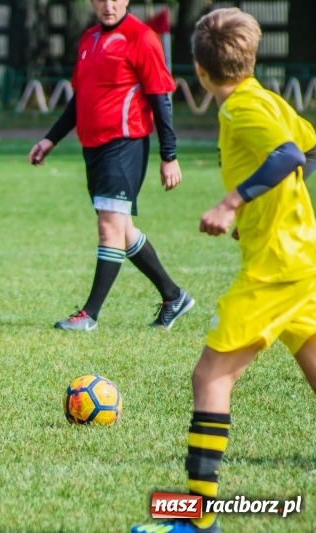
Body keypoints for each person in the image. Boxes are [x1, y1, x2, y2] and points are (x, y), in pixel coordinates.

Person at [131, 8, 316, 533]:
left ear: (199, 70)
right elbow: (310, 145)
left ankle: (197, 518)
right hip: (302, 257)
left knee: (210, 377)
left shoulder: (240, 111)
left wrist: (233, 202)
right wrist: (265, 208)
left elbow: (288, 155)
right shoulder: (267, 97)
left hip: (276, 268)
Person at [28, 0, 193, 331]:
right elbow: (81, 98)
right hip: (94, 148)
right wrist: (50, 139)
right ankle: (174, 296)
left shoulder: (142, 38)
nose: (108, 5)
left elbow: (160, 97)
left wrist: (169, 155)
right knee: (122, 230)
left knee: (109, 228)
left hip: (125, 144)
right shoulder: (89, 39)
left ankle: (89, 314)